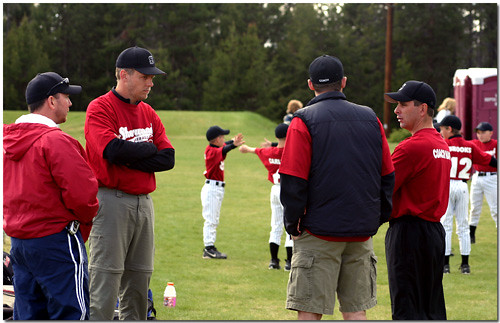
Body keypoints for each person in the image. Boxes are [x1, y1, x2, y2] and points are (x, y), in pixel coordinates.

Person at [279, 55, 395, 320]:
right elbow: (387, 176)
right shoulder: (371, 118)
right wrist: (376, 219)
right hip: (360, 230)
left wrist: (293, 224)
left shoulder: (302, 120)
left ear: (310, 85)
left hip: (318, 231)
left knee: (309, 311)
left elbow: (293, 179)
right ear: (343, 82)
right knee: (356, 312)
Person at [84, 46, 175, 320]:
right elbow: (112, 151)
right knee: (105, 282)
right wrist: (148, 150)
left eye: (152, 77)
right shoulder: (100, 108)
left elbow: (167, 158)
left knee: (139, 282)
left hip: (144, 204)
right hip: (111, 201)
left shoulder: (148, 111)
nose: (151, 82)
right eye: (145, 76)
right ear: (124, 75)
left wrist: (130, 154)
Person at [3, 72, 99, 319]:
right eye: (66, 97)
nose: (70, 103)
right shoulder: (56, 141)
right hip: (56, 242)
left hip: (20, 242)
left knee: (28, 313)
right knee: (71, 314)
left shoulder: (7, 140)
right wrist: (80, 230)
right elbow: (84, 196)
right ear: (51, 101)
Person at [384, 80, 451, 319]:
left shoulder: (411, 147)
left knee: (407, 309)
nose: (396, 110)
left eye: (402, 104)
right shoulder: (441, 144)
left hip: (409, 235)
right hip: (433, 233)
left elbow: (380, 189)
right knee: (430, 307)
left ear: (422, 109)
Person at [438, 116, 497, 274]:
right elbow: (488, 160)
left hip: (448, 185)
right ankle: (465, 265)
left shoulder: (444, 144)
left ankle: (445, 265)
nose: (441, 132)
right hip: (463, 186)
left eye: (442, 129)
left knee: (446, 225)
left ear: (450, 129)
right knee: (463, 226)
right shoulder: (469, 146)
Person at [239, 123, 293, 271]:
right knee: (290, 225)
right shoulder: (291, 152)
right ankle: (289, 261)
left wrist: (247, 149)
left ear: (276, 136)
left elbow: (257, 150)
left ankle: (273, 261)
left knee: (275, 225)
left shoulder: (269, 152)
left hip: (274, 190)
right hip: (288, 191)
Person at [202, 126, 244, 259]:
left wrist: (233, 142)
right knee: (211, 219)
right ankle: (208, 248)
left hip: (216, 188)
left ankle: (210, 247)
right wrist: (233, 146)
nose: (224, 139)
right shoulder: (211, 151)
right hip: (212, 189)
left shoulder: (214, 148)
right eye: (222, 137)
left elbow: (225, 145)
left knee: (214, 219)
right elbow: (225, 148)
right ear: (217, 139)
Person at [469, 122, 498, 242]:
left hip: (493, 177)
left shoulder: (496, 144)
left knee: (495, 208)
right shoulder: (474, 144)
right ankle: (471, 235)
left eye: (483, 132)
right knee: (474, 207)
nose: (480, 135)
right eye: (478, 132)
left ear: (491, 133)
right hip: (477, 177)